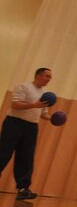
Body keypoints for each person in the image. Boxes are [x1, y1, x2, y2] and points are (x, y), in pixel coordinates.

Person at [0, 68, 53, 200]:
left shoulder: (45, 94)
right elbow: (15, 105)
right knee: (3, 153)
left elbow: (43, 113)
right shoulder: (23, 87)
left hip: (31, 127)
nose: (48, 79)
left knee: (26, 158)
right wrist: (34, 105)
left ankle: (23, 189)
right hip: (14, 123)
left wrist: (52, 118)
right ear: (38, 75)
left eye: (50, 77)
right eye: (47, 76)